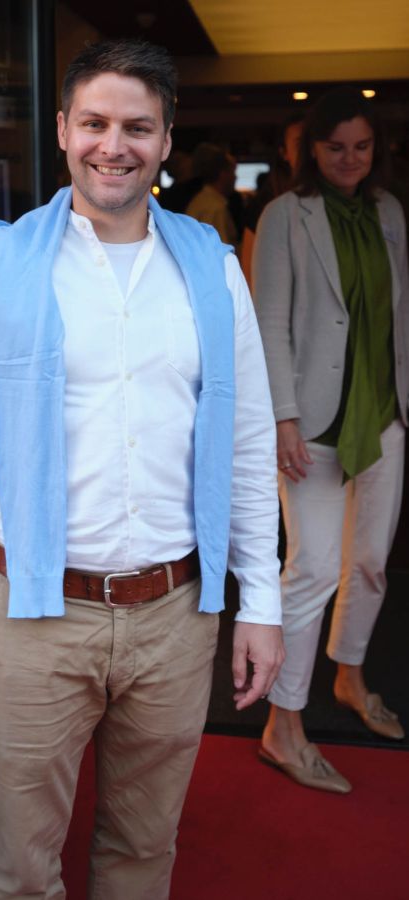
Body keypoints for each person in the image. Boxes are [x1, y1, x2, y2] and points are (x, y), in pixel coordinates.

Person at [0, 39, 284, 899]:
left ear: (165, 139)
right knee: (19, 869)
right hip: (34, 619)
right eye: (95, 123)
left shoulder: (213, 269)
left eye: (137, 128)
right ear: (64, 130)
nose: (114, 145)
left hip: (175, 613)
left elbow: (247, 442)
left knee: (143, 851)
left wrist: (260, 599)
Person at [253, 87, 409, 794]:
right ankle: (281, 726)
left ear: (377, 150)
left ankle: (349, 676)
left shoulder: (388, 212)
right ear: (310, 150)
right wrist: (281, 416)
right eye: (335, 146)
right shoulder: (285, 215)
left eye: (361, 146)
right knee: (312, 569)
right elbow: (269, 321)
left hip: (384, 413)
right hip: (310, 422)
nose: (349, 158)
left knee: (369, 562)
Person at [240, 112, 305, 289]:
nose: (308, 150)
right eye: (300, 144)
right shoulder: (266, 205)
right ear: (284, 153)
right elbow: (250, 274)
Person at [185, 142, 238, 246]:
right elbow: (221, 249)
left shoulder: (200, 200)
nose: (236, 177)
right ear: (223, 174)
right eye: (232, 172)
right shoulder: (215, 207)